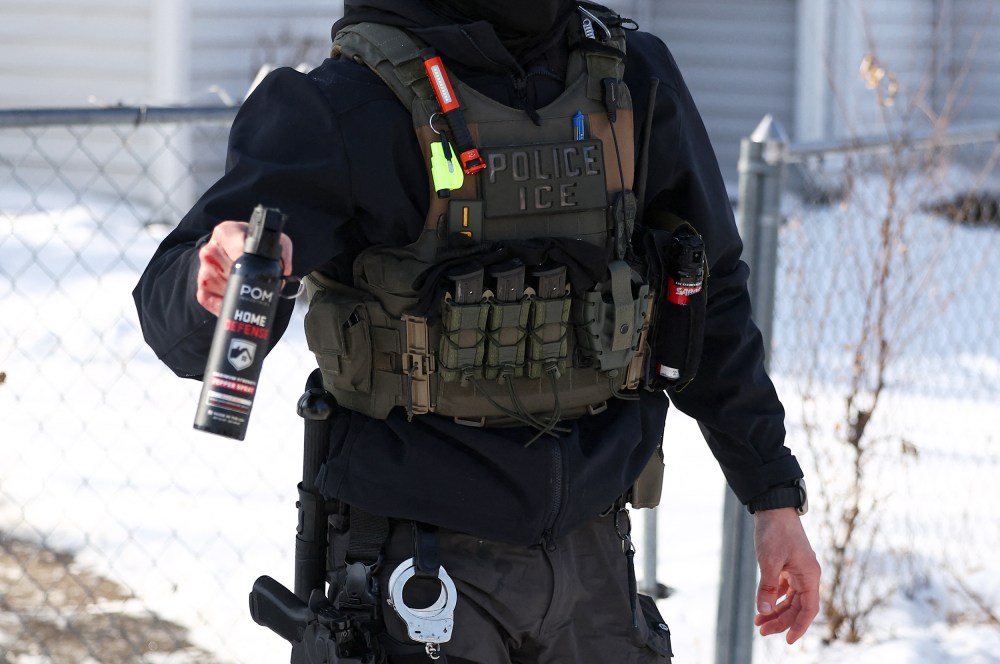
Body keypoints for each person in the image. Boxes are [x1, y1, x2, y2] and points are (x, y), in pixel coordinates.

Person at [133, 1, 820, 662]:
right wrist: (211, 276)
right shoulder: (347, 102)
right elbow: (178, 312)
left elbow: (710, 291)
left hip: (595, 563)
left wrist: (772, 494)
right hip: (415, 568)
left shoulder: (631, 79)